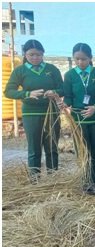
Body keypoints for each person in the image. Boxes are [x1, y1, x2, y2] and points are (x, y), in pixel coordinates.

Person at [4, 39, 63, 184]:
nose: (35, 58)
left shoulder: (52, 69)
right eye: (31, 55)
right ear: (25, 54)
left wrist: (54, 92)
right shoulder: (20, 71)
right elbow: (8, 91)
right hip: (30, 114)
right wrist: (26, 94)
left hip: (51, 113)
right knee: (34, 148)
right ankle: (35, 180)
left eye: (38, 55)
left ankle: (53, 178)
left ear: (43, 54)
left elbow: (63, 88)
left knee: (52, 146)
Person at [62, 43, 95, 195]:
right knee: (83, 152)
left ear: (90, 58)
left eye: (84, 59)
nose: (80, 62)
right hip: (78, 120)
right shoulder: (69, 75)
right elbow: (68, 97)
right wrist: (63, 103)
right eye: (77, 59)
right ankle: (85, 183)